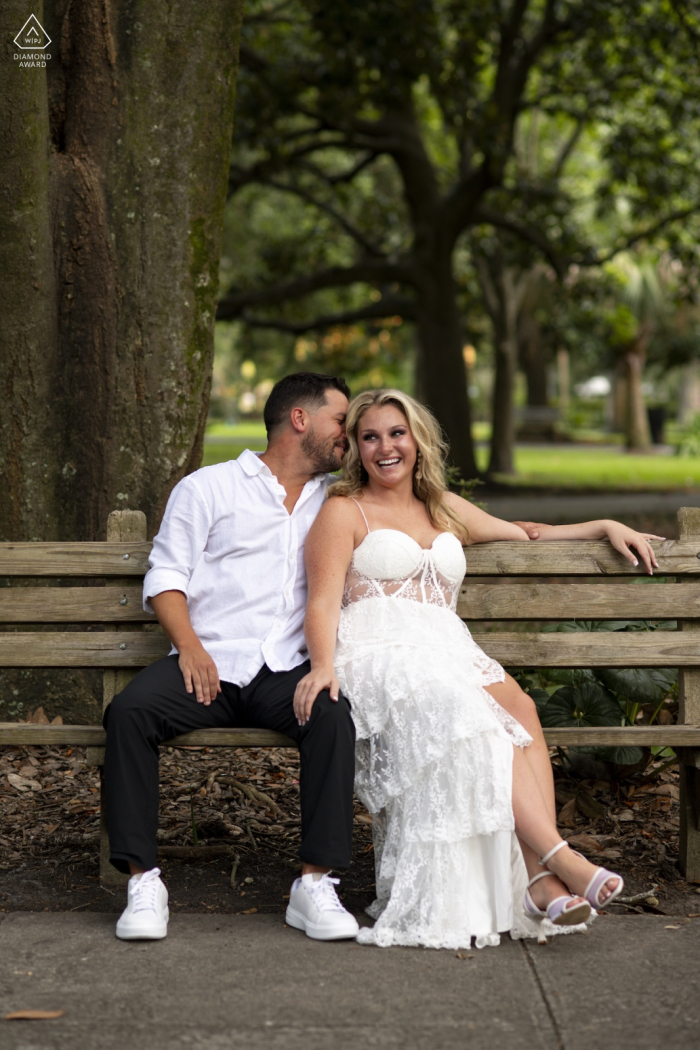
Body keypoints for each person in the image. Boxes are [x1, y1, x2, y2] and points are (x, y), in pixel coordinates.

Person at [295, 389, 661, 948]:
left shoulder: (440, 505)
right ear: (355, 448)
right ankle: (563, 857)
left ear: (417, 440)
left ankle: (538, 880)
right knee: (478, 720)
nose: (385, 447)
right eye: (370, 437)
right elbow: (321, 601)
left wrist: (604, 523)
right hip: (379, 654)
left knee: (521, 709)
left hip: (447, 648)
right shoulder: (345, 509)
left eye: (397, 434)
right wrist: (323, 667)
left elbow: (527, 532)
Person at [104, 372, 361, 942]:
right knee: (129, 714)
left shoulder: (339, 500)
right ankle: (143, 881)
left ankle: (315, 883)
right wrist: (189, 648)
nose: (350, 432)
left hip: (286, 670)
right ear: (300, 419)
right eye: (341, 420)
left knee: (332, 718)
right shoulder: (208, 488)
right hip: (208, 666)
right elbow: (167, 576)